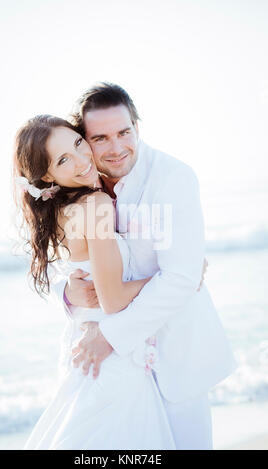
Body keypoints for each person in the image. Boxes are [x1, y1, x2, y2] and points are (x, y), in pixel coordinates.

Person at [51, 82, 238, 450]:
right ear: (84, 141)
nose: (117, 147)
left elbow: (181, 279)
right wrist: (67, 293)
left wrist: (109, 336)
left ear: (138, 125)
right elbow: (57, 265)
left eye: (124, 132)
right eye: (100, 138)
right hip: (110, 368)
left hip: (174, 360)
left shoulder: (173, 179)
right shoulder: (78, 185)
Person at [14, 114, 183, 450]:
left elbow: (72, 274)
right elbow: (113, 299)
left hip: (91, 347)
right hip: (111, 356)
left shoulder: (64, 207)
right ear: (47, 176)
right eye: (63, 160)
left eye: (78, 144)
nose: (82, 160)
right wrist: (176, 277)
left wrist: (69, 294)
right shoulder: (96, 203)